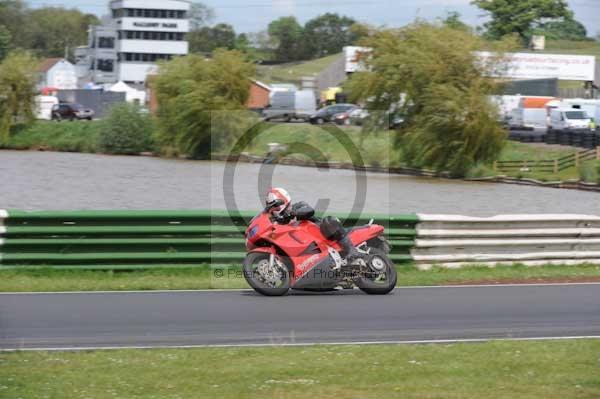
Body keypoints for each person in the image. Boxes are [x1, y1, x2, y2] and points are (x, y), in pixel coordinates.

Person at [265, 187, 360, 261]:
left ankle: (351, 250)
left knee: (328, 220)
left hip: (326, 236)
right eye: (272, 208)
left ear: (284, 201)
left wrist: (293, 214)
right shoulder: (279, 223)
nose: (275, 210)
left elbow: (309, 210)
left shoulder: (298, 206)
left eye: (276, 206)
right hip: (311, 250)